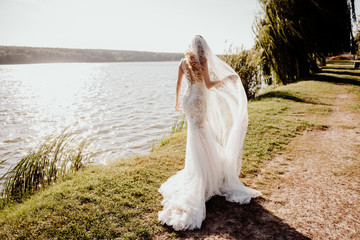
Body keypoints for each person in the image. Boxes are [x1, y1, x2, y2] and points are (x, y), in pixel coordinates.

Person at [158, 35, 261, 231]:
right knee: (202, 134)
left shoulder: (182, 62)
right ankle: (204, 177)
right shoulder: (202, 61)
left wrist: (177, 101)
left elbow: (179, 84)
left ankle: (196, 172)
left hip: (188, 101)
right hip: (199, 101)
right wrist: (226, 79)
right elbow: (207, 85)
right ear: (201, 48)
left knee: (194, 135)